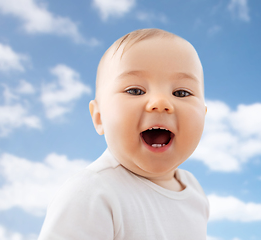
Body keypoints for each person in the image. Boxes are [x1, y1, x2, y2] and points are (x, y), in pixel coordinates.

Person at [38, 28, 209, 239]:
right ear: (99, 117)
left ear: (204, 114)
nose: (161, 103)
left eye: (181, 93)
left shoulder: (195, 192)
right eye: (135, 91)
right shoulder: (91, 194)